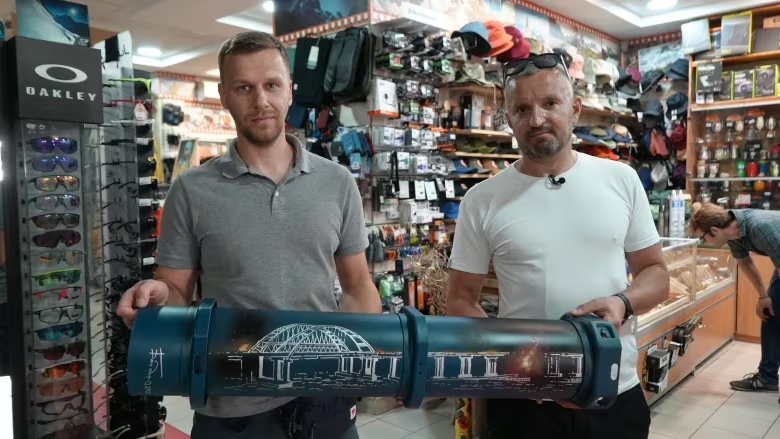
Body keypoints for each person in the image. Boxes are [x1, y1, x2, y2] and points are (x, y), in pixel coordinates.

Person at [116, 31, 381, 439]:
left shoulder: (337, 182)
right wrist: (157, 296)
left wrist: (366, 362)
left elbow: (358, 284)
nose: (261, 101)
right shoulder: (191, 190)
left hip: (323, 395)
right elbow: (177, 289)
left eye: (272, 85)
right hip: (231, 400)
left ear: (290, 90)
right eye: (244, 87)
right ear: (224, 95)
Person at [445, 54, 670, 439]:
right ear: (509, 119)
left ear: (575, 108)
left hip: (612, 392)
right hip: (522, 401)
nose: (536, 119)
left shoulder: (621, 179)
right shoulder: (481, 200)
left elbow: (656, 274)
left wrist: (622, 302)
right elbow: (460, 299)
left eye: (550, 103)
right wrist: (515, 361)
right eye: (522, 109)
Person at [690, 203, 780, 393]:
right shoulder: (734, 234)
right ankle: (767, 378)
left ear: (714, 230)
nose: (703, 241)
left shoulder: (758, 227)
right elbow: (744, 262)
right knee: (771, 313)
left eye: (702, 237)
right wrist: (763, 296)